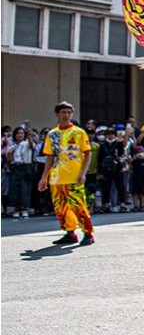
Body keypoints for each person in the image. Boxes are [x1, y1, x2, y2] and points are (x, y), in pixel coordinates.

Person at [40, 103, 95, 246]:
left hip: (74, 177)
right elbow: (50, 157)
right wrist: (44, 177)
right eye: (63, 112)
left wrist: (83, 173)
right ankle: (70, 232)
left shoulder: (79, 132)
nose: (66, 115)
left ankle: (88, 233)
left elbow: (87, 153)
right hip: (57, 177)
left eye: (69, 112)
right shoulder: (52, 134)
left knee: (78, 205)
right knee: (61, 207)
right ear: (57, 115)